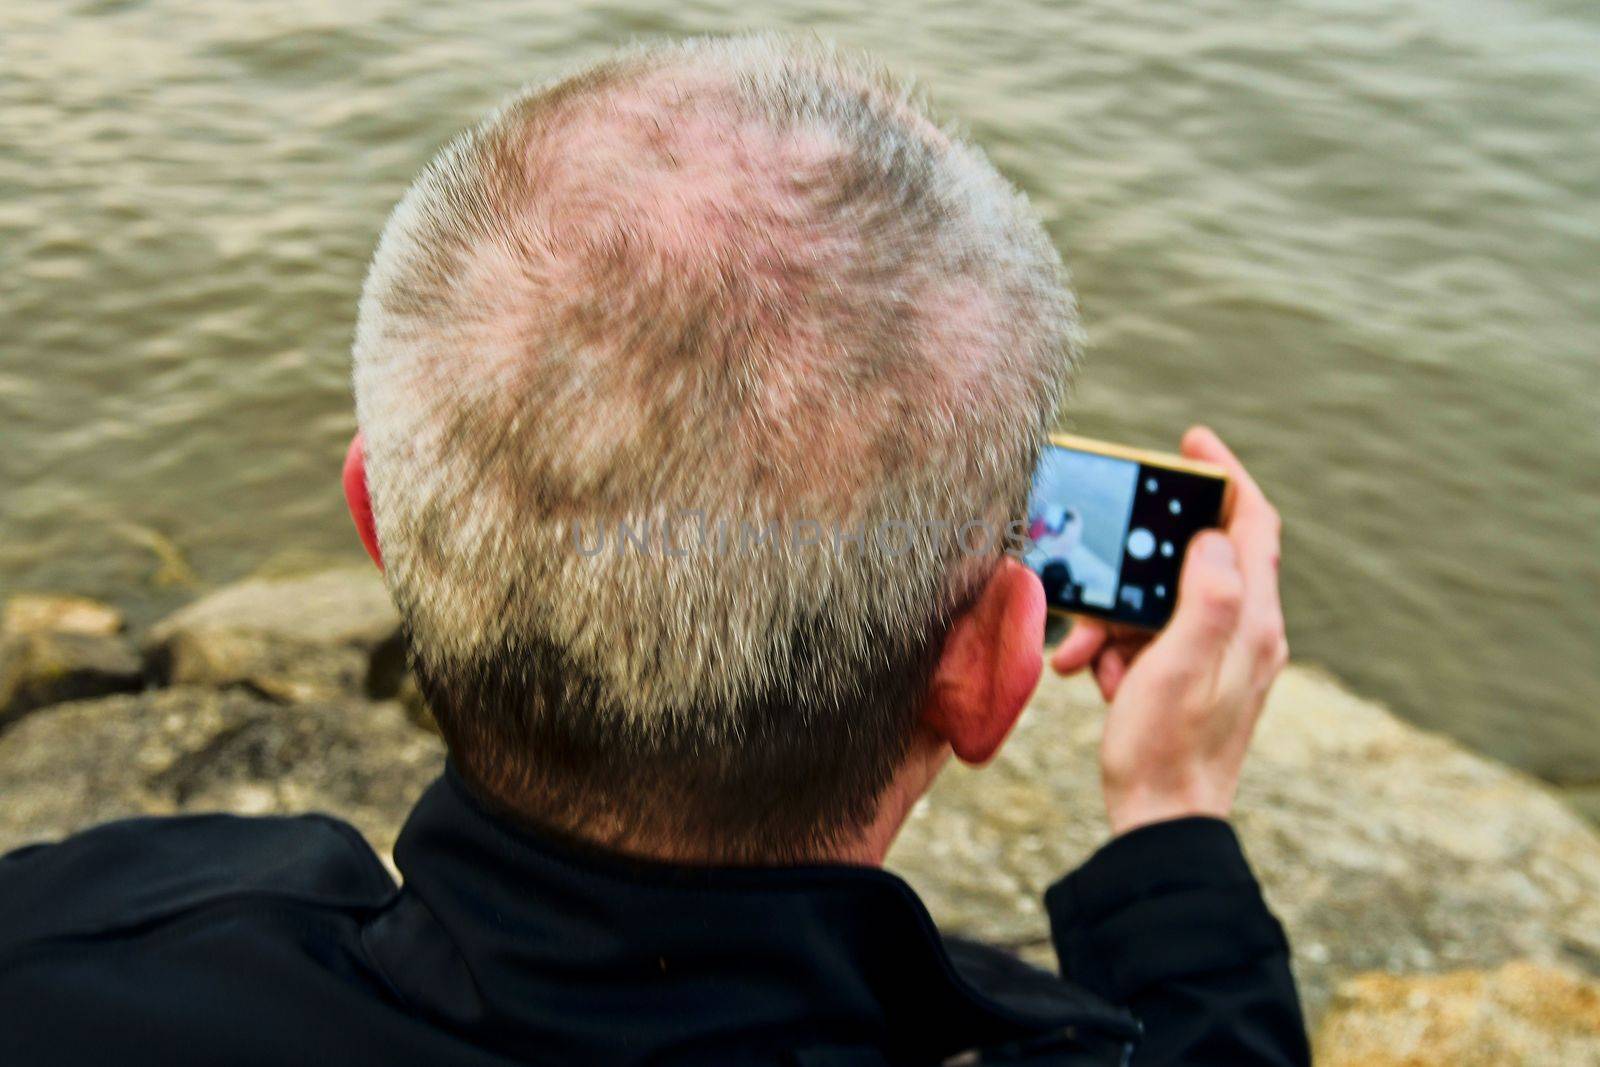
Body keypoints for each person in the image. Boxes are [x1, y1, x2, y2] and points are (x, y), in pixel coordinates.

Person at [0, 35, 1306, 1066]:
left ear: (381, 523)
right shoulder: (1051, 1039)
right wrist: (1172, 820)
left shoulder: (61, 946)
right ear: (989, 673)